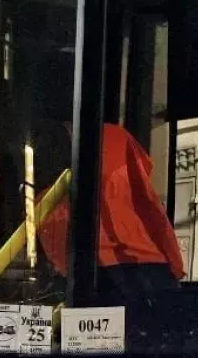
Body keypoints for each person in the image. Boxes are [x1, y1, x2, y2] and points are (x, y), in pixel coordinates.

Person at [37, 121, 185, 304]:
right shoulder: (115, 137)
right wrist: (173, 263)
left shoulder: (50, 159)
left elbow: (53, 227)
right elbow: (150, 206)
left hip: (95, 272)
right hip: (149, 269)